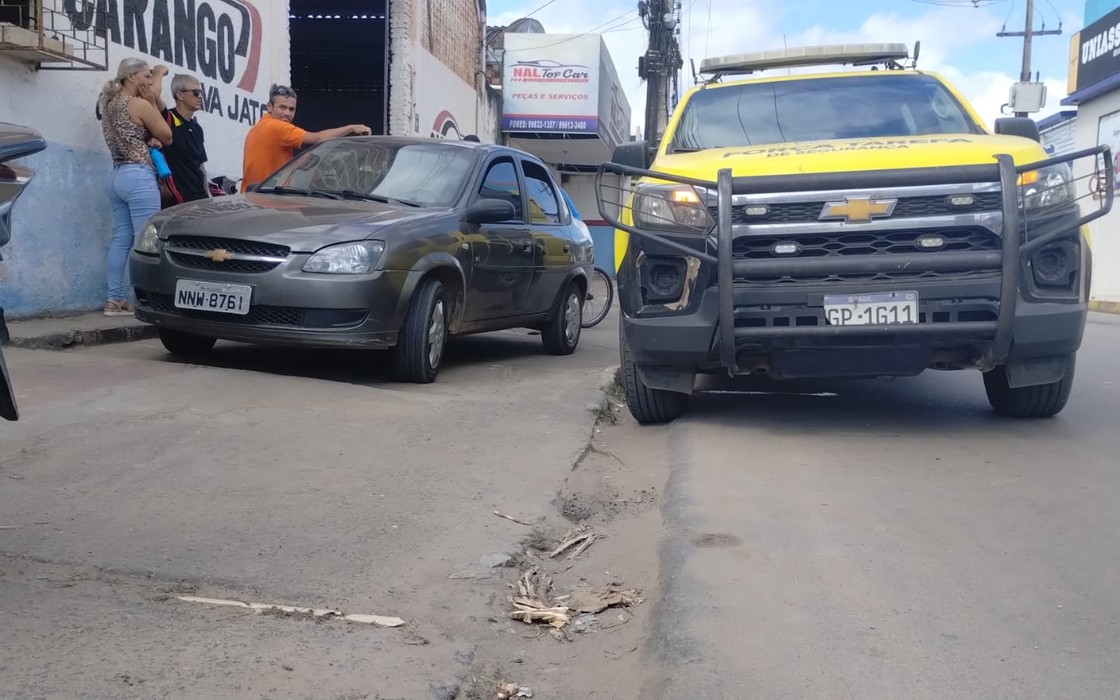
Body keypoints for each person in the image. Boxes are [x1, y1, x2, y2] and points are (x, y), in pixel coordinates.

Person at [98, 57, 172, 316]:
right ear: (131, 76)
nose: (150, 81)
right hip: (138, 176)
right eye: (146, 76)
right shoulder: (139, 104)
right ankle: (147, 300)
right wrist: (152, 101)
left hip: (116, 176)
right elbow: (167, 135)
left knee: (121, 240)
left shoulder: (108, 103)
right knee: (146, 242)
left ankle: (114, 300)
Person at [241, 84, 371, 192]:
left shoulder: (259, 127)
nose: (287, 113)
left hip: (254, 198)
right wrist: (351, 128)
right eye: (282, 107)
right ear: (269, 107)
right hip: (268, 203)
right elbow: (318, 139)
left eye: (291, 109)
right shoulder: (277, 127)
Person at [148, 72, 210, 206]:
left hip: (200, 198)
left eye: (201, 92)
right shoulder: (168, 118)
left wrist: (207, 195)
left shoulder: (197, 127)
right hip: (178, 199)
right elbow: (152, 95)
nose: (200, 96)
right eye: (195, 92)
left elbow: (201, 166)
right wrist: (160, 72)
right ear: (180, 95)